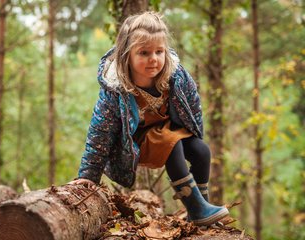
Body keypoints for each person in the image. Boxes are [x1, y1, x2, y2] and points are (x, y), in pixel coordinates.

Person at [69, 11, 229, 226]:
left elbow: (194, 108)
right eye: (144, 53)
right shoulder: (115, 88)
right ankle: (197, 208)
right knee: (170, 144)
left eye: (159, 52)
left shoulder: (176, 77)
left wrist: (195, 135)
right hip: (136, 144)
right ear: (128, 55)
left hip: (170, 131)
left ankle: (201, 209)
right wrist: (89, 174)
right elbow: (100, 131)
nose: (153, 59)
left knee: (202, 150)